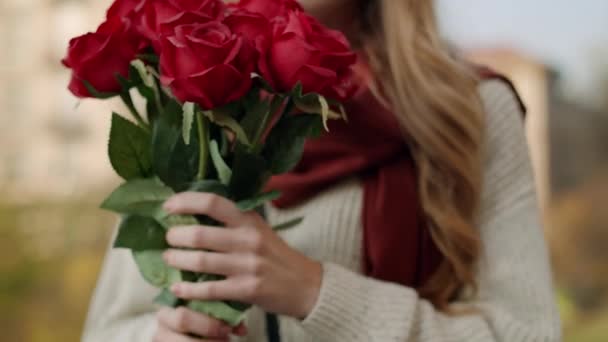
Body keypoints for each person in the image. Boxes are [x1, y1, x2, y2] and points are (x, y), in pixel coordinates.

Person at [82, 0, 561, 341]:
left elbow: (528, 334)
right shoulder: (184, 107)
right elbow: (107, 330)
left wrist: (317, 292)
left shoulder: (470, 111)